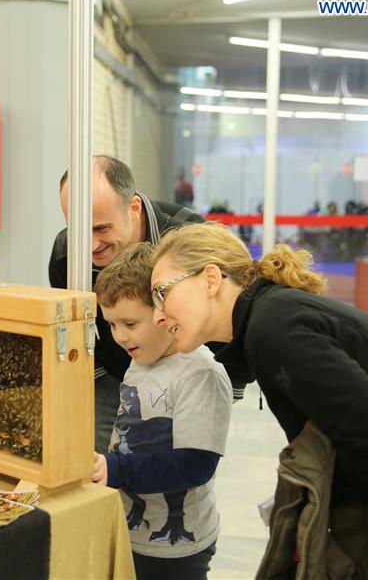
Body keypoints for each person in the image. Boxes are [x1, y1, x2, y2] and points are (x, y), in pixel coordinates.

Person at [150, 221, 368, 576]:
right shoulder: (270, 316)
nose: (158, 315)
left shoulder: (273, 327)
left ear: (211, 278)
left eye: (161, 293)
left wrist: (322, 511)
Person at [90, 243, 231, 580]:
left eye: (130, 323)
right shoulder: (139, 361)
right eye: (111, 325)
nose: (120, 337)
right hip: (132, 531)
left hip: (177, 550)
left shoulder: (200, 374)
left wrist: (115, 469)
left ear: (163, 313)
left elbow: (196, 464)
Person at [49, 155, 207, 452]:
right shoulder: (65, 254)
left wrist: (220, 388)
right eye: (79, 229)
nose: (90, 244)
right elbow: (73, 328)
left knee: (174, 477)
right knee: (99, 469)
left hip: (186, 379)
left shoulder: (192, 239)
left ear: (133, 208)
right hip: (111, 377)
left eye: (101, 229)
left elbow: (228, 315)